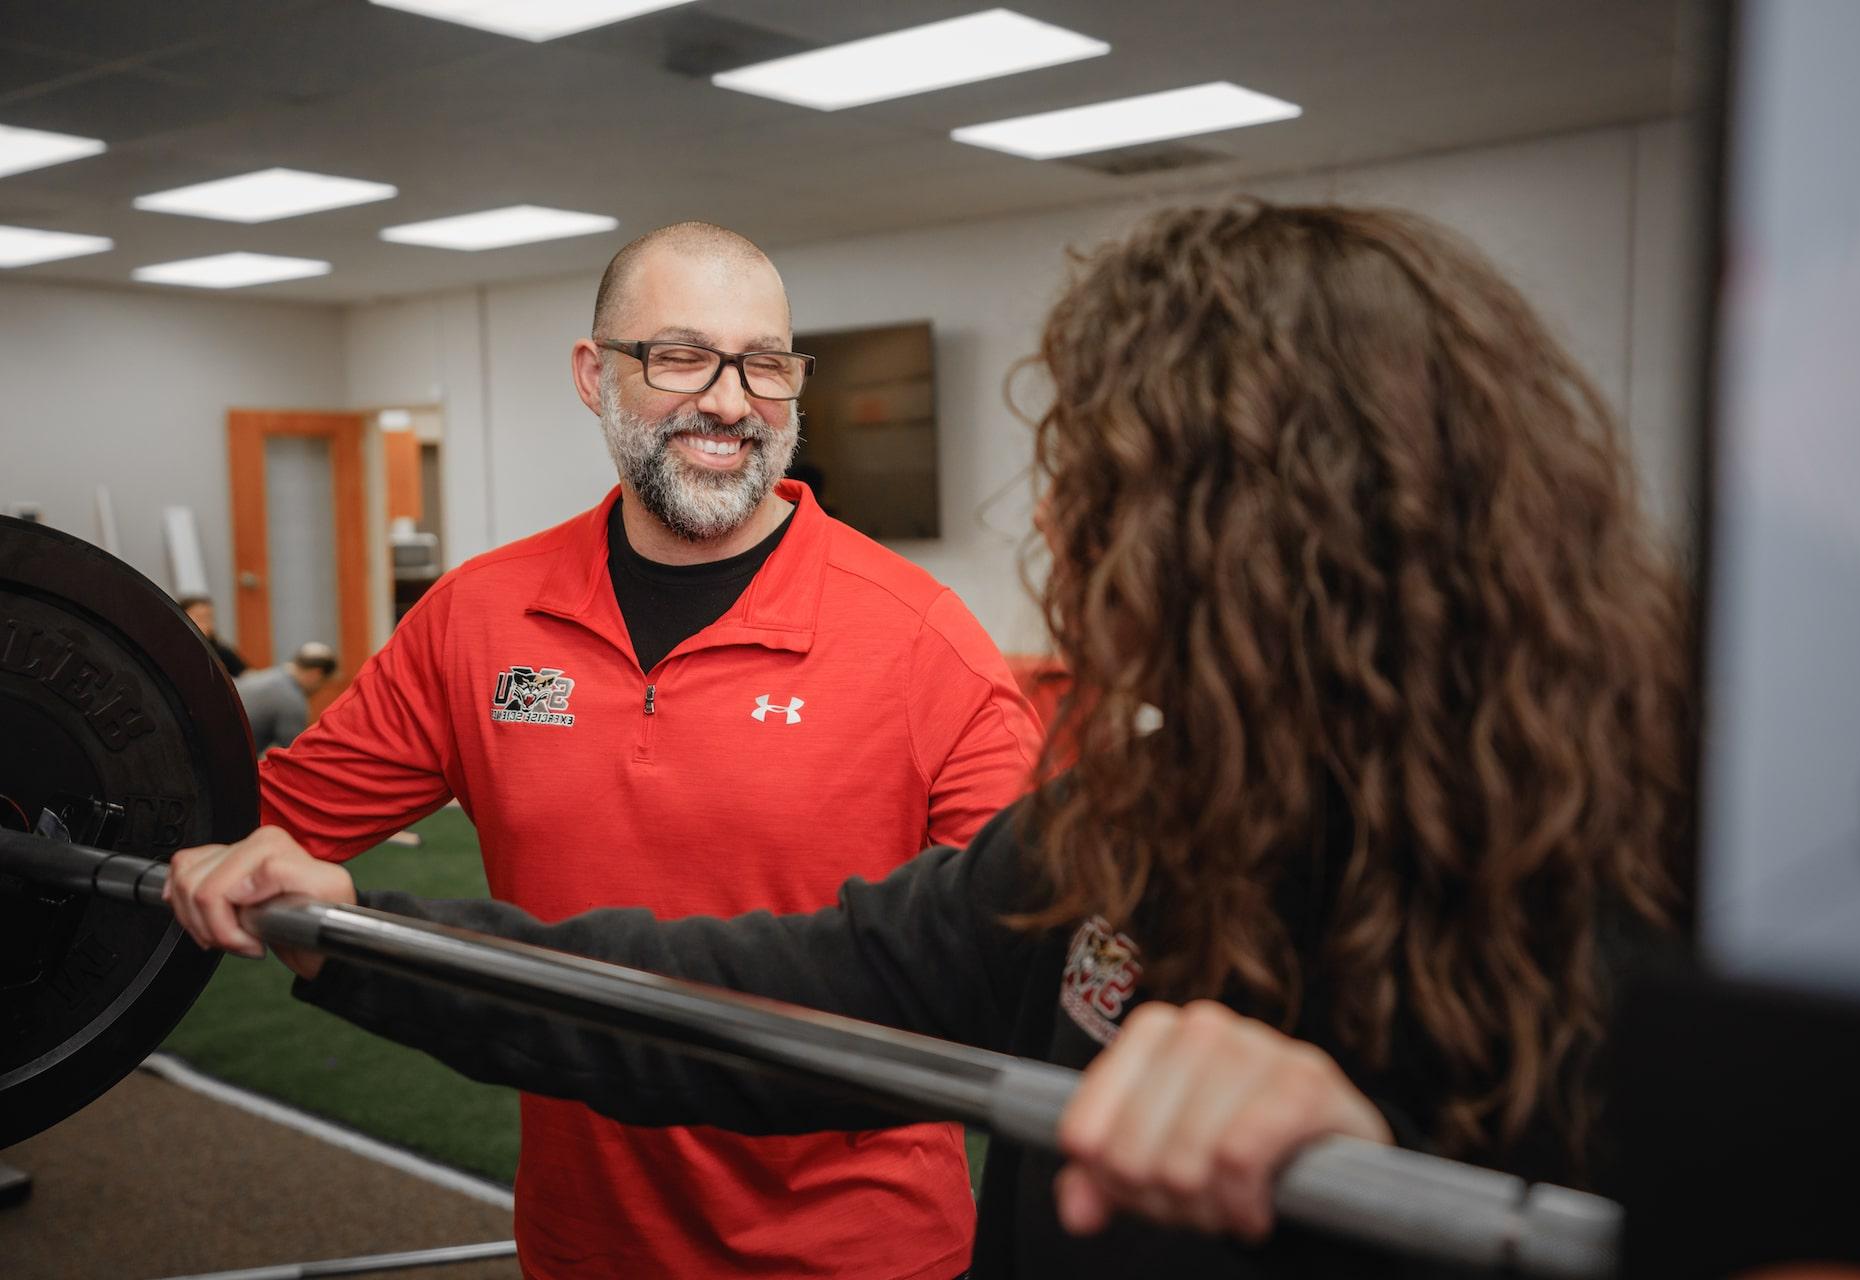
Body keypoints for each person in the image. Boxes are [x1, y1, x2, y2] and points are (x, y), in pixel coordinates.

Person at [168, 202, 1691, 1276]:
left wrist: (1376, 1168)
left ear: (1286, 531)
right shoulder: (1135, 820)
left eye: (1108, 488)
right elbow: (757, 999)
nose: (1058, 530)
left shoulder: (1638, 898)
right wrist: (355, 933)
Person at [169, 221, 1040, 1280]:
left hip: (862, 1255)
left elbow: (1019, 956)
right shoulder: (477, 619)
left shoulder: (924, 641)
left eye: (765, 364)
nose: (729, 399)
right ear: (595, 373)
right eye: (680, 354)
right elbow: (258, 825)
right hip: (580, 1249)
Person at [234, 641, 337, 754]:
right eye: (323, 683)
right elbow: (296, 755)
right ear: (316, 674)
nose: (320, 690)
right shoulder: (292, 700)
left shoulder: (268, 676)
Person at [178, 593, 247, 678]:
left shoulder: (221, 650)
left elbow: (246, 675)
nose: (207, 623)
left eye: (209, 618)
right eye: (200, 618)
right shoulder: (176, 651)